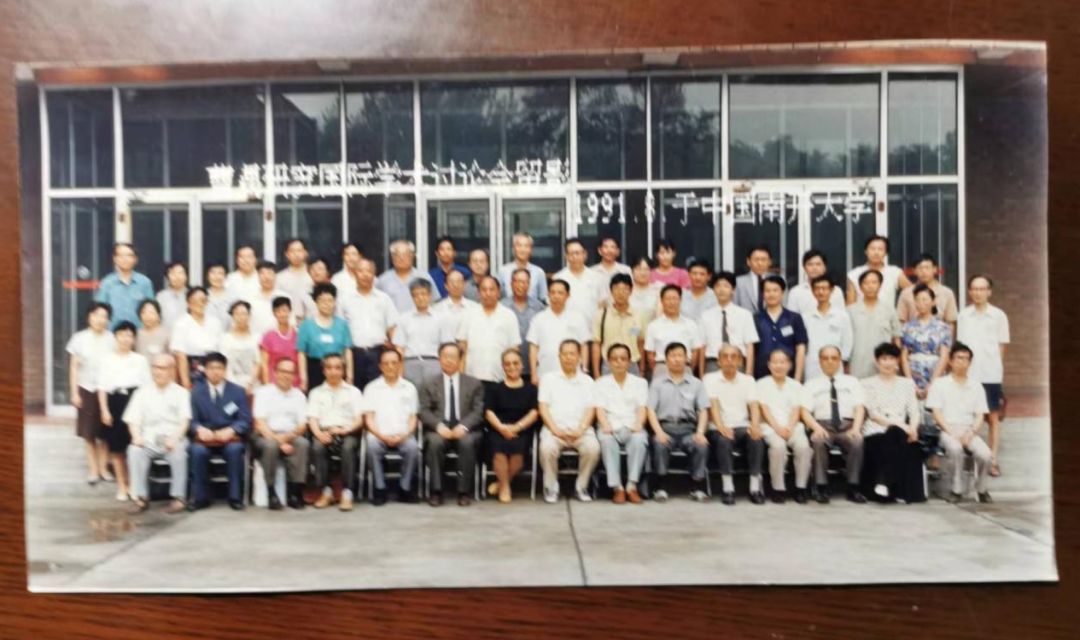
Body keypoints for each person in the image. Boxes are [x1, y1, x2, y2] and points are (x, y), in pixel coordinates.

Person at [418, 343, 485, 507]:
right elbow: (424, 411)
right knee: (434, 442)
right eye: (445, 356)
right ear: (439, 359)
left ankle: (464, 492)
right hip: (439, 428)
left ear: (460, 360)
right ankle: (436, 491)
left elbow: (478, 411)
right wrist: (439, 426)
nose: (449, 360)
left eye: (453, 357)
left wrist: (463, 427)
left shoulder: (474, 383)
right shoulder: (429, 383)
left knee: (467, 442)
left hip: (465, 427)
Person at [926, 343, 993, 503]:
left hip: (969, 430)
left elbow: (980, 415)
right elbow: (936, 413)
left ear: (970, 362)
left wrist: (971, 432)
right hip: (946, 429)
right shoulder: (940, 384)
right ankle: (956, 489)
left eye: (966, 359)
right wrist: (951, 432)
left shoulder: (976, 386)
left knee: (985, 454)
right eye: (959, 358)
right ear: (950, 361)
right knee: (955, 448)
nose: (962, 362)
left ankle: (981, 489)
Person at [124, 354, 190, 515]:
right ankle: (140, 498)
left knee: (179, 452)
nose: (158, 372)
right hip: (148, 439)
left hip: (172, 438)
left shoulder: (181, 393)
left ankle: (179, 498)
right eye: (154, 367)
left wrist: (174, 438)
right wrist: (136, 436)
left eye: (162, 368)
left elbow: (185, 421)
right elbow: (132, 419)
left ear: (172, 370)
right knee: (134, 451)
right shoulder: (141, 392)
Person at [957, 274, 1010, 477]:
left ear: (989, 291)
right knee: (969, 417)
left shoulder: (999, 316)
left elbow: (1002, 347)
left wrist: (997, 371)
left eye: (982, 289)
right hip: (969, 374)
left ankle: (992, 460)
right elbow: (960, 347)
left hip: (990, 374)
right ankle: (971, 458)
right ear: (969, 292)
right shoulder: (964, 316)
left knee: (992, 418)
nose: (978, 293)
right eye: (975, 289)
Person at [860, 342, 925, 504]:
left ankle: (884, 484)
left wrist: (913, 428)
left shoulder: (907, 384)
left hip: (903, 432)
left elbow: (914, 411)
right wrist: (901, 426)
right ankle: (891, 487)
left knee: (901, 438)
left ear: (897, 361)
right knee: (894, 433)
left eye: (891, 359)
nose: (888, 363)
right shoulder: (866, 383)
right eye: (884, 359)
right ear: (877, 362)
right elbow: (873, 414)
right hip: (876, 429)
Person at [801, 346, 867, 504]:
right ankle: (821, 487)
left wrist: (856, 429)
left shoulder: (852, 382)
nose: (830, 361)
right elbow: (804, 411)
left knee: (857, 441)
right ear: (820, 361)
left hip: (848, 426)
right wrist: (816, 428)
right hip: (823, 426)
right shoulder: (811, 384)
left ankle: (853, 487)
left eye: (834, 358)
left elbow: (859, 407)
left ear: (840, 361)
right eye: (825, 358)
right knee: (817, 441)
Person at [537, 340, 600, 503]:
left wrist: (581, 429)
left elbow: (591, 409)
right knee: (546, 448)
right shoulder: (548, 379)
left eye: (572, 354)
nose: (568, 357)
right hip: (554, 430)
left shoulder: (588, 381)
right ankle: (551, 487)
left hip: (581, 431)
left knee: (593, 448)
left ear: (579, 357)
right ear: (559, 356)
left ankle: (581, 487)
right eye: (564, 354)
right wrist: (555, 429)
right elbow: (543, 408)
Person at [646, 342, 710, 502]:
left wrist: (700, 432)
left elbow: (703, 410)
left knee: (701, 445)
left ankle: (697, 486)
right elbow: (650, 410)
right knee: (659, 444)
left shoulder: (696, 383)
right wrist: (659, 432)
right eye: (673, 356)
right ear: (666, 360)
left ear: (687, 359)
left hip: (688, 429)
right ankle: (660, 487)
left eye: (680, 355)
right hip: (665, 428)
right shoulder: (657, 383)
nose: (677, 359)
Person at [188, 352, 251, 511]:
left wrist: (232, 429)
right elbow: (192, 420)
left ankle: (235, 497)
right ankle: (200, 498)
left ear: (225, 370)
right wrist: (199, 429)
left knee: (235, 450)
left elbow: (245, 419)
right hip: (205, 438)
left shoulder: (238, 391)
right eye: (211, 368)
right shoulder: (196, 392)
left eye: (219, 368)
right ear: (205, 370)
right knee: (197, 451)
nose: (215, 372)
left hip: (229, 437)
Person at [704, 344, 765, 505]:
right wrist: (721, 427)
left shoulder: (748, 380)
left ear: (740, 361)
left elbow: (754, 406)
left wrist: (755, 425)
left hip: (742, 425)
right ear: (718, 361)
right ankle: (728, 487)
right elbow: (713, 405)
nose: (729, 360)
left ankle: (754, 488)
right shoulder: (710, 379)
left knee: (756, 439)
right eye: (725, 357)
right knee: (724, 440)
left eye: (734, 357)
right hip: (718, 426)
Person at [96, 321, 150, 502]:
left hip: (135, 401)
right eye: (121, 334)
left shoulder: (140, 360)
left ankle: (135, 486)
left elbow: (146, 387)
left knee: (134, 446)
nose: (125, 339)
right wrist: (104, 410)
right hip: (114, 402)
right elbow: (102, 387)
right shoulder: (106, 359)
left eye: (129, 335)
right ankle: (122, 486)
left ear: (134, 339)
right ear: (115, 337)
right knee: (117, 448)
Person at [363, 348, 422, 505]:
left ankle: (405, 488)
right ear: (380, 366)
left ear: (400, 365)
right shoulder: (371, 388)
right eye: (386, 363)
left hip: (403, 435)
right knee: (371, 445)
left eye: (394, 363)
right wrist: (381, 436)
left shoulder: (409, 388)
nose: (390, 366)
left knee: (413, 447)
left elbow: (413, 418)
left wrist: (405, 435)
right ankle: (379, 488)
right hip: (379, 435)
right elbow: (369, 419)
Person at [307, 353, 365, 511]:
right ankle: (326, 492)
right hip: (324, 431)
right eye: (329, 368)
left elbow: (359, 419)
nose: (334, 371)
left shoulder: (353, 392)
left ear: (343, 370)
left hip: (348, 431)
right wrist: (319, 434)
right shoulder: (316, 393)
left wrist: (345, 429)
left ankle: (347, 493)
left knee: (348, 448)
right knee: (317, 447)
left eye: (338, 368)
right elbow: (312, 419)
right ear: (324, 371)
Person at [755, 348, 813, 503]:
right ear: (769, 365)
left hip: (792, 426)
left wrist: (789, 427)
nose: (778, 366)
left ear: (789, 365)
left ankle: (801, 488)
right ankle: (778, 488)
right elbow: (764, 410)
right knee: (778, 447)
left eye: (782, 362)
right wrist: (777, 428)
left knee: (803, 447)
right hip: (770, 427)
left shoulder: (796, 386)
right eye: (775, 362)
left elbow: (796, 409)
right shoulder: (761, 384)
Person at [251, 358, 309, 510]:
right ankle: (271, 494)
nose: (286, 375)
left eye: (290, 372)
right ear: (275, 373)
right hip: (266, 435)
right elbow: (260, 423)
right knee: (270, 446)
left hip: (291, 435)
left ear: (294, 376)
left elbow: (302, 425)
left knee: (303, 444)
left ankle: (295, 493)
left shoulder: (299, 396)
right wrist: (279, 441)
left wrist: (287, 438)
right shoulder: (263, 392)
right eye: (283, 371)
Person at [68, 302, 116, 484]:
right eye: (96, 315)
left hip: (107, 390)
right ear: (89, 317)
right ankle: (93, 470)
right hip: (86, 388)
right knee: (89, 433)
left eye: (104, 316)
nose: (100, 320)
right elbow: (74, 367)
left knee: (105, 433)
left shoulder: (112, 339)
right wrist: (74, 393)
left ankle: (104, 468)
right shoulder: (79, 338)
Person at [484, 349, 540, 503]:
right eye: (507, 364)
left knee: (518, 450)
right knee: (498, 450)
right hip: (498, 429)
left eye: (515, 363)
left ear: (522, 365)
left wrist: (517, 427)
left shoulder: (531, 389)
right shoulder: (494, 389)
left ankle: (501, 484)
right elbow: (488, 412)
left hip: (522, 429)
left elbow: (534, 413)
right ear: (503, 366)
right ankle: (506, 489)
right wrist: (502, 428)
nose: (512, 367)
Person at [595, 343, 649, 504]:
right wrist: (605, 424)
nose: (619, 362)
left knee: (639, 440)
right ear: (608, 361)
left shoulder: (640, 383)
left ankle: (631, 486)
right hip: (610, 425)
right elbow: (599, 408)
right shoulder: (601, 383)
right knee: (606, 441)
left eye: (623, 359)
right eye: (615, 359)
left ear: (629, 361)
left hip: (632, 424)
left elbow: (642, 408)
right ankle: (617, 487)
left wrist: (639, 423)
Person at [339, 258, 398, 390]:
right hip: (353, 355)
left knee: (379, 391)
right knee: (355, 392)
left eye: (369, 271)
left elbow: (392, 328)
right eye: (361, 271)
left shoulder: (384, 299)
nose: (365, 275)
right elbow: (340, 329)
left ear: (374, 274)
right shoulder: (345, 299)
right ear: (355, 273)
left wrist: (393, 351)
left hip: (378, 354)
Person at [456, 276, 521, 385]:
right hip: (472, 377)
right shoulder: (468, 314)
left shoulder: (509, 315)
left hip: (501, 378)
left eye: (491, 289)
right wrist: (461, 376)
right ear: (478, 293)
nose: (488, 293)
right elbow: (462, 348)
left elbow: (514, 348)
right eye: (484, 290)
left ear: (498, 292)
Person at [527, 279, 590, 381]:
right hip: (545, 372)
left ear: (568, 295)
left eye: (560, 293)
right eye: (553, 292)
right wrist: (533, 373)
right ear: (548, 295)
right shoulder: (538, 318)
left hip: (573, 373)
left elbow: (584, 345)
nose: (556, 296)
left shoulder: (577, 318)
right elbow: (533, 347)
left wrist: (584, 368)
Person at [297, 282, 353, 391]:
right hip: (314, 369)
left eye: (330, 300)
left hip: (336, 369)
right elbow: (301, 353)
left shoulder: (343, 325)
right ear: (316, 302)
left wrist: (350, 375)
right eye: (323, 301)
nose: (327, 304)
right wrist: (303, 378)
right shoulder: (306, 325)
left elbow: (348, 350)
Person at [700, 271, 758, 375]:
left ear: (733, 290)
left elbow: (749, 345)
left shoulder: (745, 314)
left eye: (726, 286)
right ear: (713, 290)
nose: (721, 290)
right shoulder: (705, 316)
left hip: (737, 362)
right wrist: (701, 374)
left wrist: (749, 373)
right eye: (718, 286)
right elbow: (702, 346)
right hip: (713, 363)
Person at [848, 269, 903, 379]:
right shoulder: (850, 311)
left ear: (880, 285)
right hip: (857, 363)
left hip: (884, 364)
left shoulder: (889, 310)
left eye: (874, 282)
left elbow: (896, 339)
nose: (870, 286)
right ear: (860, 286)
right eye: (866, 283)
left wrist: (897, 362)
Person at [900, 284, 952, 400]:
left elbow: (944, 356)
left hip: (935, 372)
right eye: (917, 300)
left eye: (925, 299)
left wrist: (933, 383)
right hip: (913, 372)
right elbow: (904, 356)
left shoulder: (942, 327)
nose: (921, 303)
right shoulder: (907, 327)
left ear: (933, 302)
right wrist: (910, 383)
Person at [753, 275, 808, 380]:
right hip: (761, 375)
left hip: (789, 375)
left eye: (775, 290)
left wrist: (797, 378)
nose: (771, 294)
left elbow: (801, 348)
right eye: (767, 291)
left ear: (782, 292)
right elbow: (751, 350)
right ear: (762, 294)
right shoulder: (755, 319)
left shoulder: (794, 318)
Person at [591, 274, 648, 377]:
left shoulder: (639, 315)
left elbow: (641, 343)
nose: (620, 293)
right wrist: (596, 373)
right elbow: (596, 344)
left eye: (625, 289)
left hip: (632, 364)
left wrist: (642, 369)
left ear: (631, 291)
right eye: (616, 288)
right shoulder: (601, 314)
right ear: (611, 291)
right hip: (609, 365)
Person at [644, 285, 705, 379]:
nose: (671, 302)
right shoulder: (653, 326)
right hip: (662, 368)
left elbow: (695, 351)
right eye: (668, 299)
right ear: (662, 301)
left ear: (680, 300)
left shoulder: (691, 324)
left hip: (685, 367)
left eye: (674, 298)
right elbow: (650, 355)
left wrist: (688, 367)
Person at [801, 276, 854, 381]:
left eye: (824, 288)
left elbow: (848, 340)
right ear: (812, 291)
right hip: (812, 365)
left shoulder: (842, 315)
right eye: (817, 288)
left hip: (835, 363)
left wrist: (843, 360)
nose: (821, 292)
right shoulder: (805, 316)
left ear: (832, 290)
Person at [171, 288, 224, 390]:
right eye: (195, 300)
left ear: (207, 302)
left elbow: (221, 350)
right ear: (188, 303)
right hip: (192, 368)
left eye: (203, 300)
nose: (199, 303)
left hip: (214, 367)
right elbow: (181, 355)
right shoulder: (181, 323)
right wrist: (185, 381)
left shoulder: (215, 322)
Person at [392, 279, 443, 386]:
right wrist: (400, 371)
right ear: (412, 297)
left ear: (430, 295)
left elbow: (445, 346)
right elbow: (399, 348)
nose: (420, 298)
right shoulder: (404, 318)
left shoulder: (441, 318)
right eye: (416, 295)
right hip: (410, 363)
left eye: (423, 294)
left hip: (434, 363)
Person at [95, 242, 154, 328]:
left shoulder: (145, 283)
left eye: (129, 255)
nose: (125, 259)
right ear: (115, 259)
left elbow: (151, 309)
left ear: (135, 259)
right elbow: (99, 309)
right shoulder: (107, 283)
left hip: (138, 332)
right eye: (121, 255)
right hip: (112, 332)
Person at [501, 268, 545, 381]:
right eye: (517, 281)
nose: (520, 285)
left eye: (524, 282)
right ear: (511, 283)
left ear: (529, 284)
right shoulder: (502, 307)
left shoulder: (539, 308)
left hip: (533, 368)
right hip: (508, 368)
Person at [896, 253, 959, 331]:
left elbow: (951, 323)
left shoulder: (947, 293)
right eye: (920, 268)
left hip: (939, 336)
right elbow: (901, 321)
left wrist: (948, 338)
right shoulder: (906, 293)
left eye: (927, 268)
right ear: (914, 271)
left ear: (935, 269)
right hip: (912, 336)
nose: (924, 271)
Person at [846, 235, 912, 306]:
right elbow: (850, 304)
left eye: (880, 249)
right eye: (872, 249)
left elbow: (912, 293)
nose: (876, 252)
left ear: (886, 253)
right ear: (866, 251)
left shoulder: (894, 272)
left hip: (888, 313)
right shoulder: (855, 273)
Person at [553, 237, 605, 326]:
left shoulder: (597, 278)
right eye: (571, 254)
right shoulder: (558, 278)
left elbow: (602, 305)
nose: (575, 257)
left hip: (592, 328)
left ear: (585, 254)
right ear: (566, 256)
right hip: (566, 328)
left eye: (577, 253)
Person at [377, 239, 440, 312]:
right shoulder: (383, 279)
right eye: (397, 255)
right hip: (392, 319)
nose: (401, 258)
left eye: (405, 254)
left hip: (418, 318)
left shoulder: (424, 277)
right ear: (392, 257)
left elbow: (435, 303)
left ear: (412, 256)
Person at [219, 301, 261, 397]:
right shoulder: (225, 338)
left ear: (249, 316)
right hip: (230, 386)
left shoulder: (256, 338)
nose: (241, 317)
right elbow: (223, 364)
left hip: (252, 386)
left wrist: (250, 384)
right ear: (232, 316)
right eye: (237, 314)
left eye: (244, 314)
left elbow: (258, 363)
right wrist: (233, 386)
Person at [787, 249, 845, 317]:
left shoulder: (836, 291)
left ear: (825, 267)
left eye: (818, 264)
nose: (814, 268)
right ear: (804, 268)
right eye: (810, 264)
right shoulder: (795, 292)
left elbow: (841, 316)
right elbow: (791, 319)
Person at [498, 232, 548, 303]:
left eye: (526, 246)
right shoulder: (503, 271)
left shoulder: (539, 272)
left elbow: (543, 299)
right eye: (519, 245)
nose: (522, 249)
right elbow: (498, 297)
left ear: (531, 250)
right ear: (513, 249)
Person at [259, 297, 299, 387]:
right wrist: (267, 386)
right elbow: (264, 364)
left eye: (285, 310)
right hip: (274, 383)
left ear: (290, 311)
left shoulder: (298, 333)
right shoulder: (268, 336)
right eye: (278, 311)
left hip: (295, 383)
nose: (282, 314)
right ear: (274, 313)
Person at [434, 269, 479, 344]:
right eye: (452, 282)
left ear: (464, 284)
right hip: (445, 349)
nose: (455, 285)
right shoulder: (437, 309)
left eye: (459, 281)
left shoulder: (475, 308)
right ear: (446, 286)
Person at [250, 261, 293, 337]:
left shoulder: (285, 297)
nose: (266, 277)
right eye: (262, 273)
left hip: (279, 340)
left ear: (275, 276)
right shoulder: (250, 298)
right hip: (256, 340)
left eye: (269, 273)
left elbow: (291, 322)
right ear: (258, 276)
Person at [735, 245, 782, 315]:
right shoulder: (738, 282)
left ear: (770, 262)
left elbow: (783, 306)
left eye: (763, 260)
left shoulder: (779, 281)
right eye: (756, 260)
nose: (760, 263)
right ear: (748, 261)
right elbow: (734, 307)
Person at [277, 238, 314, 319]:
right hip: (288, 321)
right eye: (292, 251)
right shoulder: (280, 278)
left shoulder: (313, 275)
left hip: (311, 321)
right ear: (287, 254)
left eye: (299, 250)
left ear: (305, 253)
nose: (296, 254)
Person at [156, 261, 189, 330]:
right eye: (173, 274)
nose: (177, 277)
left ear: (186, 276)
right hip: (167, 335)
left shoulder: (192, 296)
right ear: (167, 276)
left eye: (180, 273)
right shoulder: (160, 297)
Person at [628, 255, 662, 322]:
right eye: (638, 269)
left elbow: (660, 316)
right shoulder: (625, 290)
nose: (642, 273)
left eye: (646, 269)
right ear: (632, 270)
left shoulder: (658, 290)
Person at [205, 262, 232, 328]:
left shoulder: (233, 297)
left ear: (226, 277)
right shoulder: (202, 296)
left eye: (220, 273)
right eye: (213, 273)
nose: (216, 277)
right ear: (207, 276)